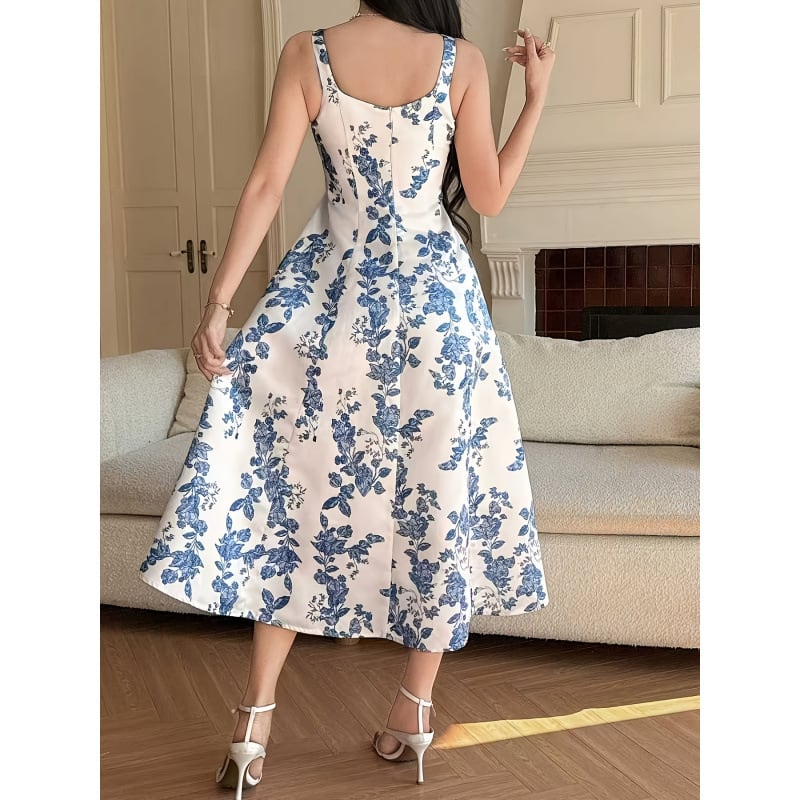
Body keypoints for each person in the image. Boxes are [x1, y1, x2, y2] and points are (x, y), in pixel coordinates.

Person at [138, 1, 555, 795]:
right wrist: (535, 99)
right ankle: (415, 712)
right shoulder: (459, 61)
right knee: (435, 501)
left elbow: (266, 185)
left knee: (296, 499)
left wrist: (219, 304)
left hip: (332, 301)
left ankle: (254, 722)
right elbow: (489, 197)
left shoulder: (309, 51)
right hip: (437, 313)